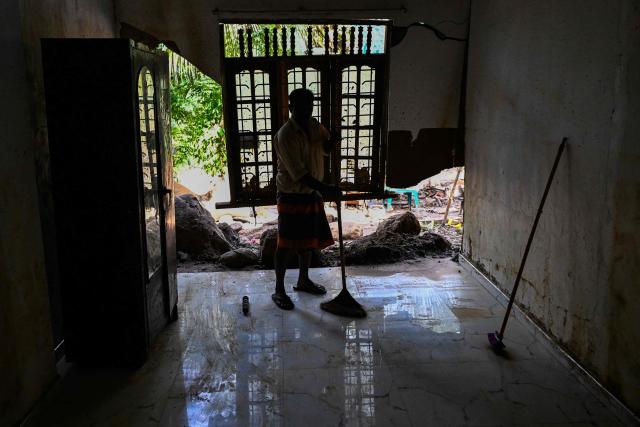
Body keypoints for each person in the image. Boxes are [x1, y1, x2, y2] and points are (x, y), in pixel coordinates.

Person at [271, 88, 341, 310]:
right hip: (291, 195)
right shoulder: (285, 135)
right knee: (286, 244)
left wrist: (334, 140)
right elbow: (299, 175)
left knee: (308, 242)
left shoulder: (314, 125)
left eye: (310, 106)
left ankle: (303, 280)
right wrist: (327, 189)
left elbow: (325, 149)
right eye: (301, 107)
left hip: (311, 194)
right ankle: (279, 290)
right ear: (291, 107)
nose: (306, 111)